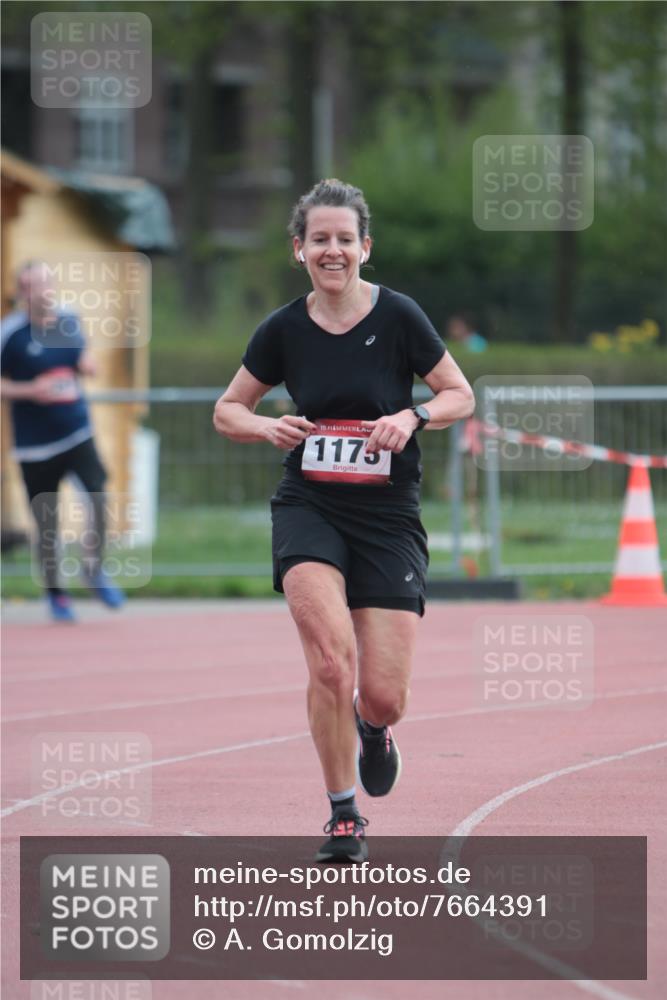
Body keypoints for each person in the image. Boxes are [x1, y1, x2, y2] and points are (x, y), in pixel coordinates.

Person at [213, 179, 475, 862]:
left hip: (387, 515)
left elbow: (459, 394)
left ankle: (372, 728)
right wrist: (265, 427)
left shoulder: (400, 317)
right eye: (319, 239)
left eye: (345, 239)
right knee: (331, 661)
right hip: (310, 505)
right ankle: (342, 812)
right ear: (299, 249)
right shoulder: (282, 328)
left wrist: (412, 416)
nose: (333, 250)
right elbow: (227, 409)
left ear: (365, 247)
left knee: (384, 695)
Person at [1, 261, 125, 622]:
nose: (43, 291)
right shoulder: (11, 333)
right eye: (34, 285)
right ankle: (56, 594)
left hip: (76, 432)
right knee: (47, 524)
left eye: (46, 283)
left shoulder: (69, 320)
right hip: (34, 447)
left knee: (99, 498)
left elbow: (79, 357)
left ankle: (93, 569)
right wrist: (31, 390)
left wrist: (86, 365)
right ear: (23, 293)